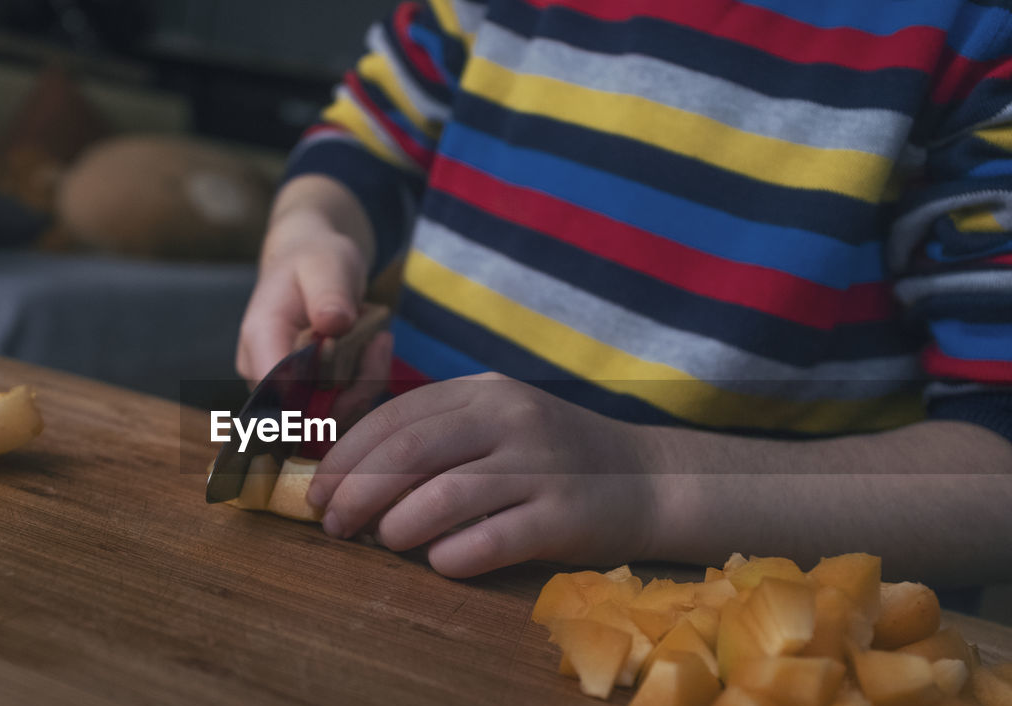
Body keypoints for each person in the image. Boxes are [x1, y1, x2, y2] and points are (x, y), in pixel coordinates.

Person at [235, 0, 1012, 586]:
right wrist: (311, 231)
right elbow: (365, 138)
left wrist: (648, 481)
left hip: (701, 645)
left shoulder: (976, 36)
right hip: (390, 571)